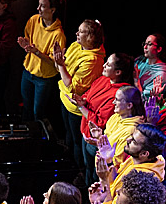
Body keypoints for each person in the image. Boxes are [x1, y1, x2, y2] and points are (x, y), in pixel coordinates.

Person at [71, 53, 135, 188]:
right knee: (87, 167)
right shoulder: (103, 79)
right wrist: (83, 100)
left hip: (97, 143)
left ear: (118, 72)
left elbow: (99, 123)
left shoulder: (119, 94)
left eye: (108, 64)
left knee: (97, 176)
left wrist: (81, 107)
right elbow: (89, 94)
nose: (104, 65)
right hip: (87, 133)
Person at [54, 20, 107, 182]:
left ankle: (79, 173)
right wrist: (59, 63)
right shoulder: (77, 46)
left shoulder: (92, 60)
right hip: (65, 98)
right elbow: (61, 69)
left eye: (81, 31)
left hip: (75, 107)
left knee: (77, 142)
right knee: (68, 136)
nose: (76, 34)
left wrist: (61, 65)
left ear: (90, 37)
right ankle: (69, 163)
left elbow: (73, 87)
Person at [84, 85, 144, 192]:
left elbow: (117, 162)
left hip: (110, 176)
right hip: (101, 165)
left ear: (129, 105)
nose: (113, 102)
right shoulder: (115, 117)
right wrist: (99, 138)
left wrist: (104, 155)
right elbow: (107, 143)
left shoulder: (131, 130)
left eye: (117, 100)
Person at [18, 0, 66, 122]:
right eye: (39, 5)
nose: (38, 8)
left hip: (44, 79)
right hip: (28, 72)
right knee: (26, 108)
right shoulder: (34, 20)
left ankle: (38, 134)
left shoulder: (58, 34)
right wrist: (26, 45)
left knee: (38, 112)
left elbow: (55, 64)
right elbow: (28, 40)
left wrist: (36, 52)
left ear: (52, 10)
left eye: (43, 6)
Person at [96, 123, 166, 204]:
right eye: (131, 136)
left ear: (144, 154)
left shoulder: (141, 181)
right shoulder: (137, 159)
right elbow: (115, 179)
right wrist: (109, 161)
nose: (128, 140)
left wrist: (103, 180)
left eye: (134, 141)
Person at [134, 34, 166, 103]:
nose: (145, 47)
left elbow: (144, 99)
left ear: (159, 49)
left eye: (149, 44)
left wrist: (136, 81)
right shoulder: (140, 61)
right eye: (145, 44)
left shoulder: (160, 74)